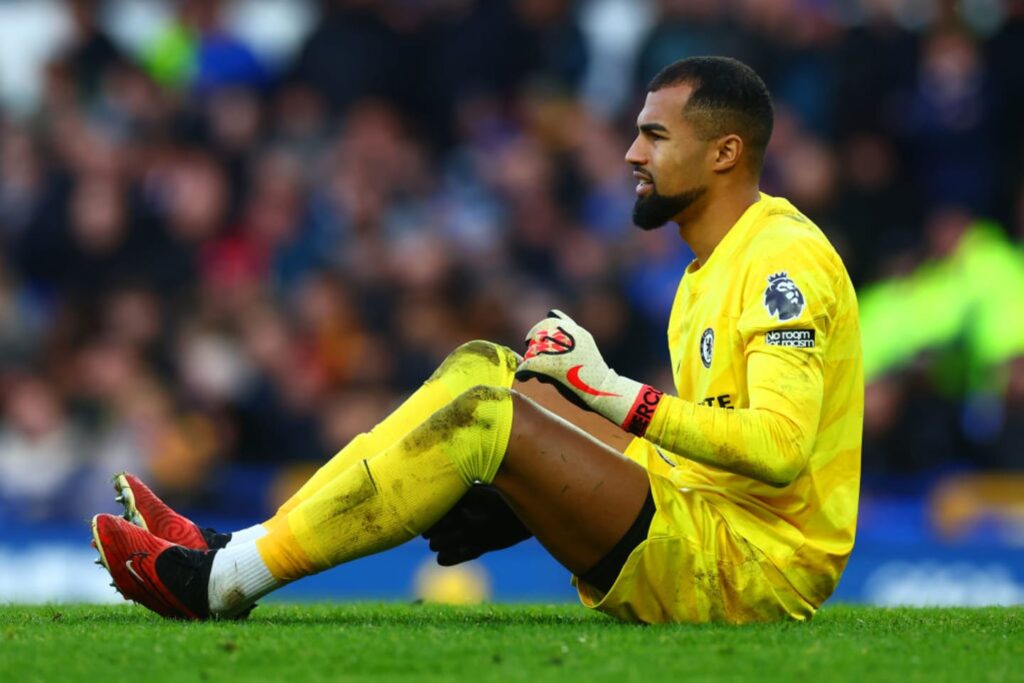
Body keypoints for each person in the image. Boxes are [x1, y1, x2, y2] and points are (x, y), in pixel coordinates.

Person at [91, 56, 863, 624]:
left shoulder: (780, 260)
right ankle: (233, 544)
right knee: (484, 369)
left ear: (725, 152)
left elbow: (778, 447)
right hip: (705, 514)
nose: (632, 155)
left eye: (654, 137)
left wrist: (608, 394)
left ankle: (223, 581)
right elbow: (710, 444)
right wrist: (539, 495)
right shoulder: (709, 266)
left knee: (489, 417)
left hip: (753, 568)